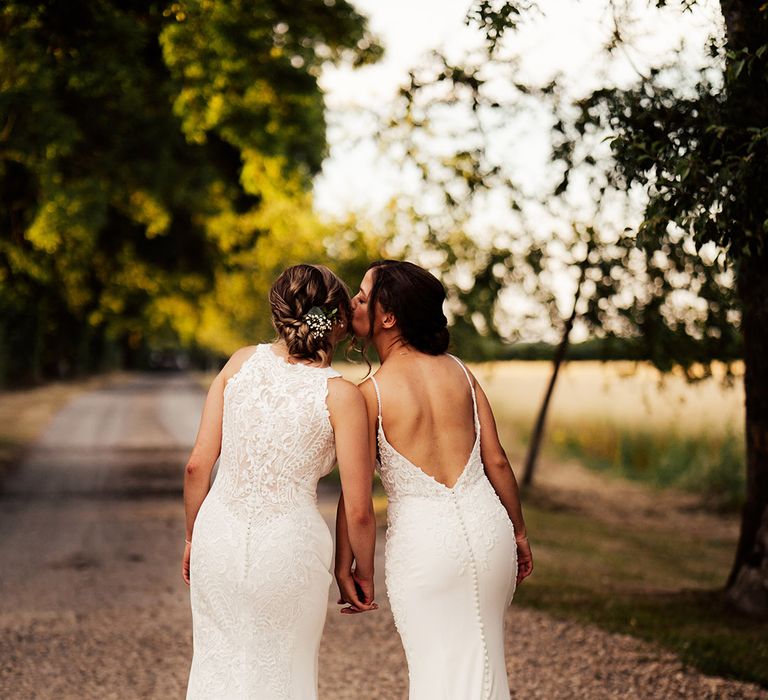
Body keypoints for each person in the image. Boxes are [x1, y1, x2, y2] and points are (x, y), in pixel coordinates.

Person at [335, 260, 533, 700]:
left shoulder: (369, 395)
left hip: (425, 548)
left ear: (388, 318)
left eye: (363, 297)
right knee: (486, 663)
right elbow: (497, 462)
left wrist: (348, 567)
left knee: (435, 672)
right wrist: (518, 532)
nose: (353, 303)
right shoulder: (461, 372)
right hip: (489, 533)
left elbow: (357, 498)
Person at [183, 264, 376, 700]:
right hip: (290, 547)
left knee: (216, 665)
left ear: (279, 313)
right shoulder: (341, 394)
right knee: (283, 673)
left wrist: (195, 539)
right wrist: (359, 572)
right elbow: (361, 508)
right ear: (339, 320)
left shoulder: (239, 364)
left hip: (218, 534)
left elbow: (197, 466)